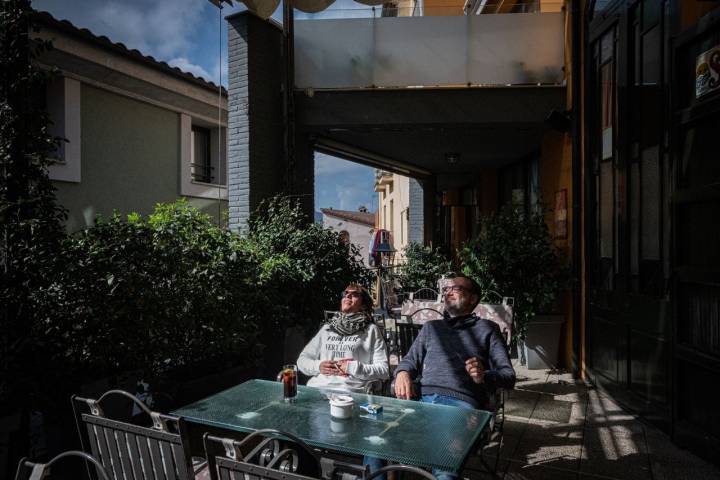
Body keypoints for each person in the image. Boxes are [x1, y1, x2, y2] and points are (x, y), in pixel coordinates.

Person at [394, 275, 516, 480]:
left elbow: (508, 376)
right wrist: (402, 373)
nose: (447, 291)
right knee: (377, 447)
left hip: (462, 405)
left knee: (444, 462)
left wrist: (484, 376)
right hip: (422, 401)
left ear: (472, 298)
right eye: (445, 288)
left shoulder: (487, 329)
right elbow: (408, 361)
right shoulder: (431, 328)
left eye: (455, 288)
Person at [297, 283, 389, 478]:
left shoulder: (371, 331)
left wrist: (354, 367)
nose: (348, 296)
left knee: (375, 445)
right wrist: (318, 366)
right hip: (318, 394)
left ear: (363, 305)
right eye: (345, 294)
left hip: (352, 397)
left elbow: (384, 370)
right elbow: (302, 360)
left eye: (354, 295)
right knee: (292, 433)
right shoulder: (327, 329)